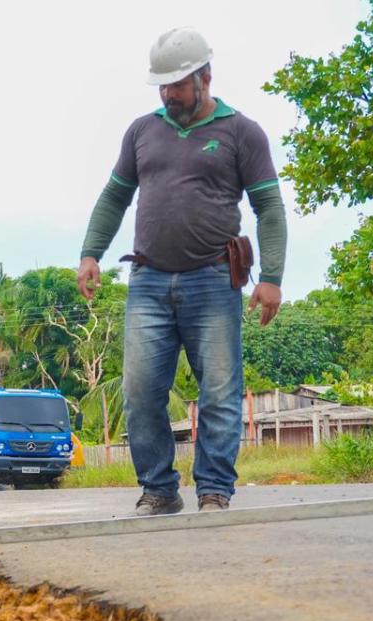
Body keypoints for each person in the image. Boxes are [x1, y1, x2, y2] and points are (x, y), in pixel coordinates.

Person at [76, 27, 287, 516]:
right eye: (162, 86)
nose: (168, 94)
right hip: (148, 282)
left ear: (205, 76)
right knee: (140, 393)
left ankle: (214, 490)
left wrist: (272, 277)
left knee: (219, 392)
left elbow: (269, 209)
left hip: (213, 282)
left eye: (176, 84)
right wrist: (91, 253)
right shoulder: (142, 131)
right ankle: (159, 489)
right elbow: (114, 196)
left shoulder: (241, 132)